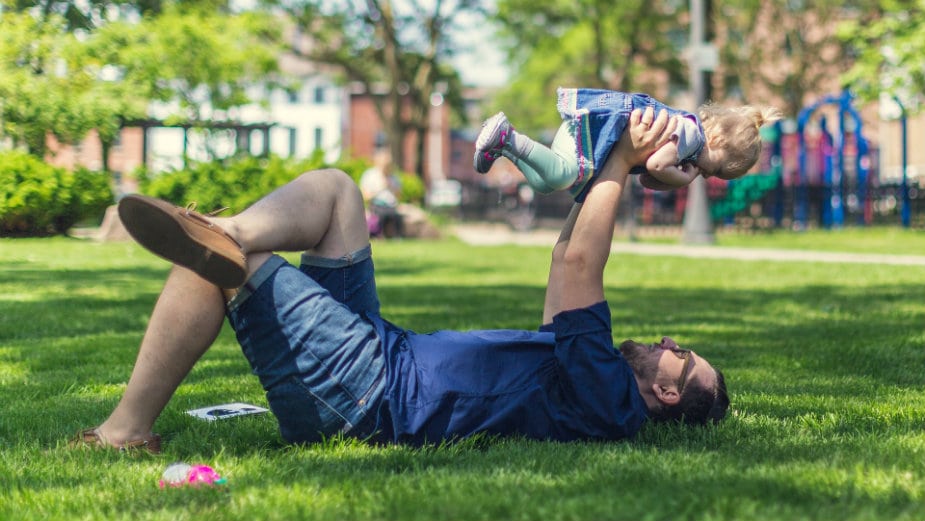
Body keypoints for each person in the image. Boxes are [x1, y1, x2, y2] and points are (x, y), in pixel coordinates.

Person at [71, 107, 728, 453]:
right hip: (380, 353)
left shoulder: (607, 399)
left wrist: (620, 157)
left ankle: (126, 429)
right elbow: (566, 261)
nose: (668, 340)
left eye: (680, 352)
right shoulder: (587, 376)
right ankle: (233, 231)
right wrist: (623, 168)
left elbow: (585, 265)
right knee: (337, 193)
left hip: (367, 395)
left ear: (667, 391)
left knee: (226, 270)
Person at [474, 87, 782, 200]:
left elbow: (649, 178)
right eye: (712, 168)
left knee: (544, 184)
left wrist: (672, 180)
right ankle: (508, 135)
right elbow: (656, 165)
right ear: (715, 138)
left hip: (589, 135)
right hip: (595, 130)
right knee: (561, 175)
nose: (703, 172)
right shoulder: (691, 135)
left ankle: (502, 147)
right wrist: (682, 178)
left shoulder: (686, 149)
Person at [359, 149, 404, 238]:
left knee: (397, 216)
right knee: (382, 215)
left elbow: (399, 195)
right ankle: (379, 235)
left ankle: (397, 237)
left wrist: (391, 187)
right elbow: (365, 196)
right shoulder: (370, 175)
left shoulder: (394, 177)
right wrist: (381, 188)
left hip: (391, 206)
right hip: (376, 205)